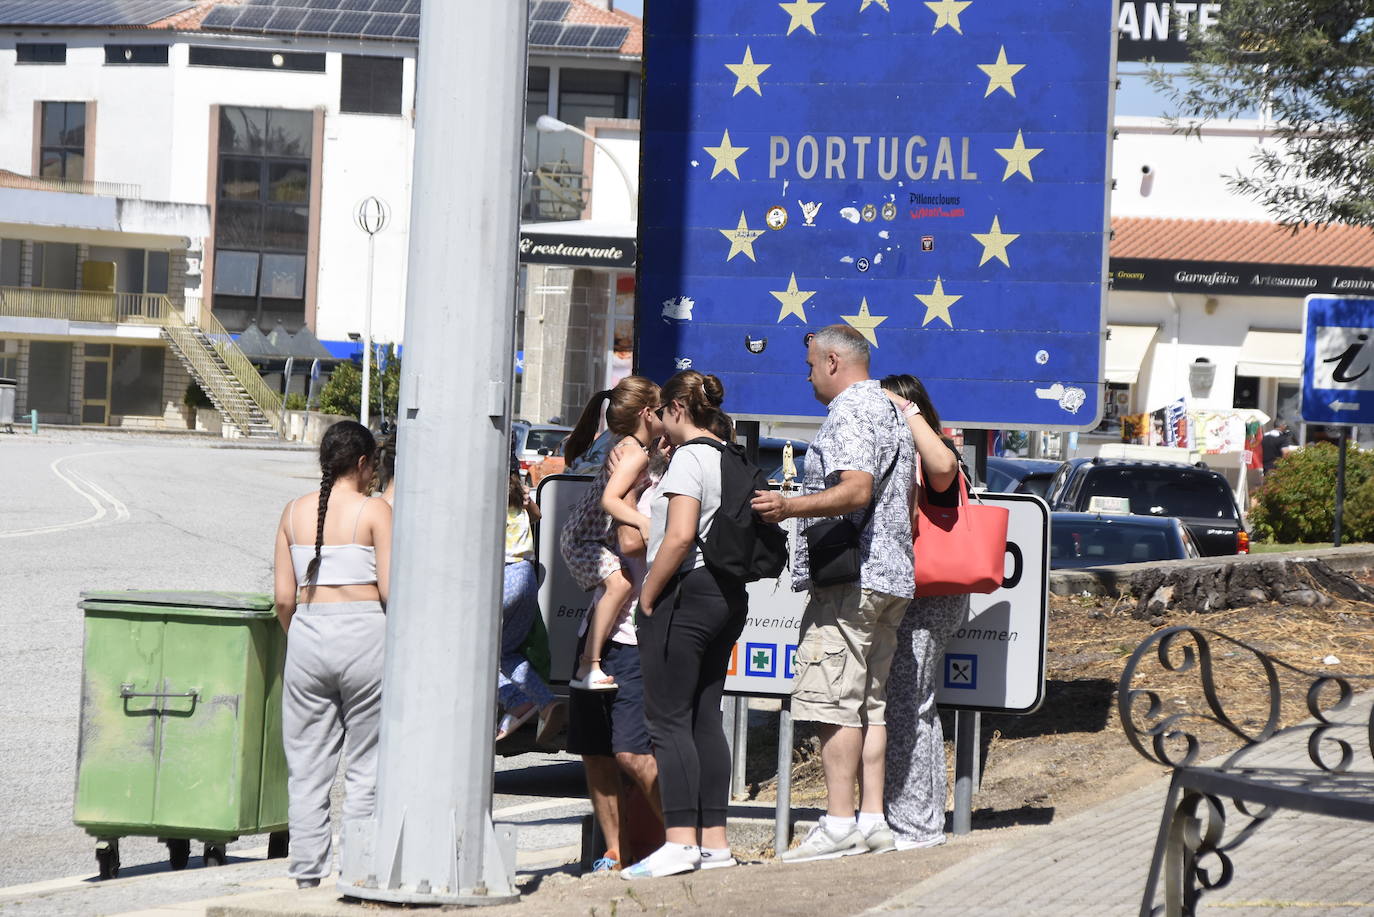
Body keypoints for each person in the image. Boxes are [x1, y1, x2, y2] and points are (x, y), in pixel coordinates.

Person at [752, 325, 916, 862]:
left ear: (831, 360)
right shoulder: (894, 410)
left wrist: (789, 506)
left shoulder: (849, 410)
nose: (807, 376)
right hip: (891, 575)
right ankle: (872, 819)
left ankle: (839, 819)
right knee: (871, 705)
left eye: (808, 365)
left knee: (834, 703)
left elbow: (856, 489)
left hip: (852, 578)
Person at [623, 370, 748, 879]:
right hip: (725, 596)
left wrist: (647, 596)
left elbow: (677, 537)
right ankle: (715, 843)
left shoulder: (689, 460)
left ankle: (679, 842)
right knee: (703, 717)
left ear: (677, 407)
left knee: (667, 719)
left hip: (684, 595)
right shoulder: (730, 455)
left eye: (661, 412)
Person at [272, 420, 392, 887]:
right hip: (366, 634)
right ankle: (358, 870)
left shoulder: (292, 512)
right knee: (366, 764)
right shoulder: (374, 511)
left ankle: (306, 877)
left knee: (306, 769)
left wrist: (301, 633)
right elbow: (390, 588)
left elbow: (284, 598)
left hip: (307, 632)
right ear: (362, 464)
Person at [566, 440, 669, 874]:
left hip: (636, 639)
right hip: (599, 631)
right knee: (595, 751)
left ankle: (684, 841)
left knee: (633, 753)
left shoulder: (663, 483)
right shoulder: (631, 472)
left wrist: (626, 480)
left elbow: (630, 542)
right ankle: (613, 850)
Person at [878, 374, 963, 850]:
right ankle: (910, 819)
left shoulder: (934, 450)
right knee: (904, 706)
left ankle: (916, 825)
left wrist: (907, 415)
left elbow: (945, 470)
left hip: (930, 594)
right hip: (904, 592)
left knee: (911, 705)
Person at [560, 377, 663, 690]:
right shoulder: (634, 454)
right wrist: (644, 523)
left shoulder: (635, 449)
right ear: (647, 413)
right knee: (619, 585)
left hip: (587, 536)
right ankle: (588, 665)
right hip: (583, 539)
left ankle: (588, 663)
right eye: (661, 412)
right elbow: (610, 500)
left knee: (618, 586)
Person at [496, 473, 566, 743]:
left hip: (503, 576)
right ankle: (545, 702)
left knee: (484, 653)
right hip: (526, 575)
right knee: (507, 650)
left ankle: (517, 700)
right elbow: (537, 516)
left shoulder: (491, 496)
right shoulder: (517, 496)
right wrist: (526, 500)